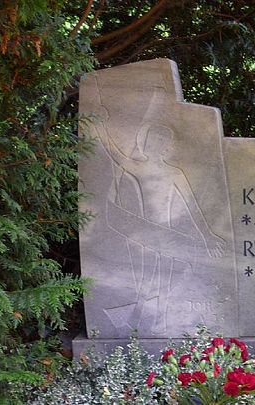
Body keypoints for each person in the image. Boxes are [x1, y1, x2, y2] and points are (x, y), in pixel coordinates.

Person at [89, 88, 224, 332]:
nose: (157, 143)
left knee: (168, 278)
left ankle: (155, 321)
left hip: (167, 233)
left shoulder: (175, 173)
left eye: (162, 141)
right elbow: (112, 152)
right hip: (141, 233)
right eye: (153, 139)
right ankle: (143, 324)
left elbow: (192, 208)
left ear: (167, 147)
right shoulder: (135, 166)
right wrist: (98, 125)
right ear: (145, 143)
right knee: (145, 280)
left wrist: (207, 236)